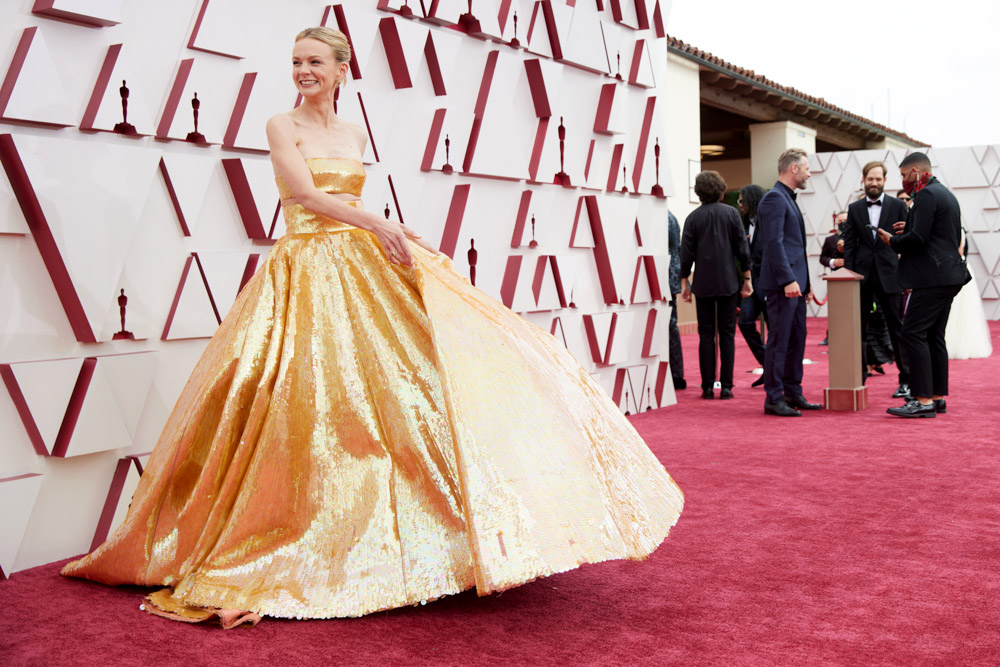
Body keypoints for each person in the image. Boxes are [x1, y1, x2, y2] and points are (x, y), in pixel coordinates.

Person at [61, 27, 684, 625]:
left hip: (358, 263)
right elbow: (303, 196)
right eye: (296, 62)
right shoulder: (282, 124)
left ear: (341, 70)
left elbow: (349, 205)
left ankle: (435, 541)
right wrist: (380, 224)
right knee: (297, 398)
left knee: (404, 391)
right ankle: (286, 528)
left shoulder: (352, 129)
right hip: (302, 270)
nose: (303, 72)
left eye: (315, 63)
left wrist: (391, 232)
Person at [878, 152, 968, 418]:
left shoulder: (927, 194)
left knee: (913, 334)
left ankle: (923, 400)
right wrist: (911, 227)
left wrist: (892, 241)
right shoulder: (945, 194)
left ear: (916, 171)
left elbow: (919, 239)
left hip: (932, 278)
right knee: (933, 335)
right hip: (948, 276)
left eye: (904, 175)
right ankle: (937, 397)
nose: (904, 180)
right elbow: (938, 234)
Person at [757, 148, 822, 417]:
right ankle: (773, 397)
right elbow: (774, 244)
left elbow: (794, 247)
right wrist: (788, 280)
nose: (809, 172)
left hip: (795, 285)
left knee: (797, 339)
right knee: (780, 340)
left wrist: (803, 284)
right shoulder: (774, 199)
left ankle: (793, 392)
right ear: (793, 168)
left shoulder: (786, 198)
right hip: (784, 285)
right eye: (806, 167)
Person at [679, 171, 752, 400]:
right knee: (728, 334)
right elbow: (742, 248)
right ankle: (727, 386)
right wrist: (747, 278)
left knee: (706, 334)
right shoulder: (731, 214)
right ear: (720, 188)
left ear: (698, 191)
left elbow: (686, 253)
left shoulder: (692, 218)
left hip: (702, 282)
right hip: (729, 281)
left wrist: (684, 282)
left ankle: (707, 386)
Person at [843, 161, 911, 399]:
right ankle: (857, 376)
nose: (874, 183)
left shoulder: (898, 206)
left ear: (884, 180)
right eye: (870, 179)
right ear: (863, 180)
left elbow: (906, 242)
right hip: (861, 276)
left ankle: (906, 380)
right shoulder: (854, 208)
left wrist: (907, 273)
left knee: (897, 328)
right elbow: (850, 244)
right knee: (857, 329)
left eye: (878, 179)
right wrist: (850, 276)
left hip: (891, 275)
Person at [736, 184, 767, 386]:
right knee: (745, 322)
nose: (739, 205)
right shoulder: (746, 223)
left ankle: (775, 372)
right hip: (751, 282)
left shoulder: (767, 221)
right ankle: (768, 364)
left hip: (768, 281)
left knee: (774, 328)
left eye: (741, 201)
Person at [816, 212, 846, 347]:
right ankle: (831, 335)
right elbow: (823, 258)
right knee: (835, 309)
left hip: (856, 277)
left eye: (846, 220)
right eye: (840, 221)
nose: (843, 223)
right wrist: (833, 262)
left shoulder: (857, 237)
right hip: (836, 279)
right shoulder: (830, 240)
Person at [667, 209, 686, 389]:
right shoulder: (671, 215)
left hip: (666, 277)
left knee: (670, 326)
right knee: (671, 325)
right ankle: (676, 373)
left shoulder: (663, 216)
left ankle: (676, 374)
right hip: (671, 276)